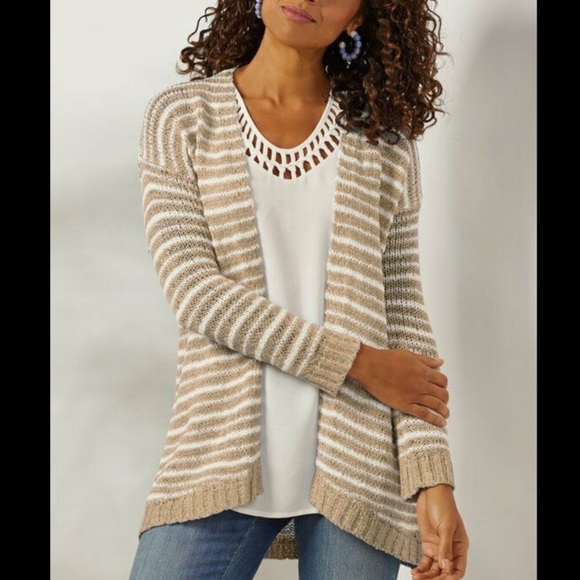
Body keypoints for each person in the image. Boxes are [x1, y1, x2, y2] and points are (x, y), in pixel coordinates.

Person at [129, 1, 469, 579]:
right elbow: (195, 292)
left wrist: (433, 479)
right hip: (216, 451)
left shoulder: (384, 141)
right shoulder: (183, 117)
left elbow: (404, 318)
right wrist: (359, 363)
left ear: (357, 17)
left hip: (359, 469)